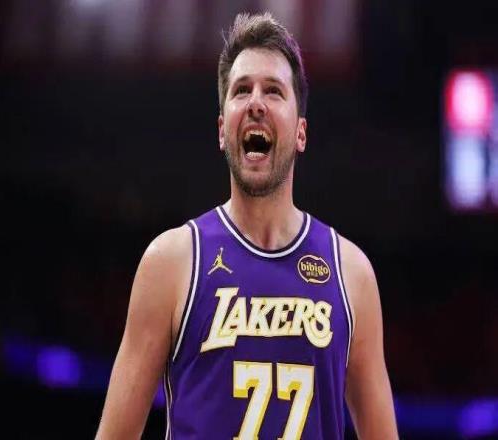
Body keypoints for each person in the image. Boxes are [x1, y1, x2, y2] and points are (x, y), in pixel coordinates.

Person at [96, 12, 398, 440]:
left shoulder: (352, 273)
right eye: (242, 90)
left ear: (301, 133)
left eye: (273, 90)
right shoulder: (172, 262)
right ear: (223, 131)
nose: (256, 102)